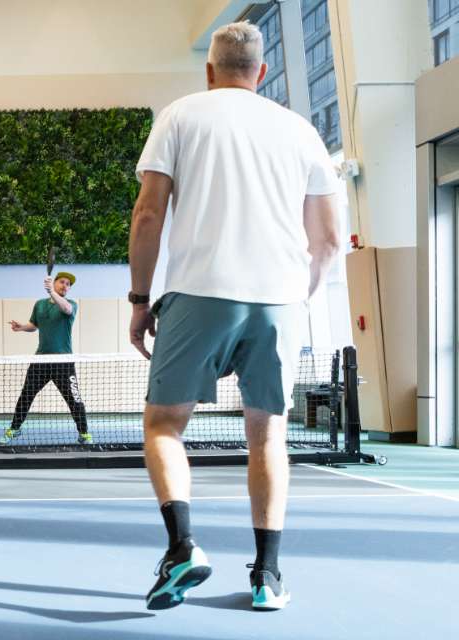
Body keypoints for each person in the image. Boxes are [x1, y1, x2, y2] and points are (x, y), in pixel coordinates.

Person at [128, 22, 340, 612]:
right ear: (263, 74)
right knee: (268, 435)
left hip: (199, 294)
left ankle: (182, 547)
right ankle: (267, 577)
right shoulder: (300, 130)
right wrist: (298, 299)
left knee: (164, 425)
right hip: (278, 302)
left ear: (210, 71)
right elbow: (326, 242)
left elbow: (149, 215)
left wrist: (140, 301)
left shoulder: (180, 115)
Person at [0, 272, 90, 445]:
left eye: (68, 284)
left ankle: (84, 433)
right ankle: (14, 429)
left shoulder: (70, 304)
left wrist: (52, 293)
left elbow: (66, 309)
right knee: (26, 396)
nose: (65, 286)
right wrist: (21, 327)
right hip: (41, 361)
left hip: (63, 362)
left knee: (74, 399)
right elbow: (35, 325)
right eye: (62, 282)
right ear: (54, 282)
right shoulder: (39, 305)